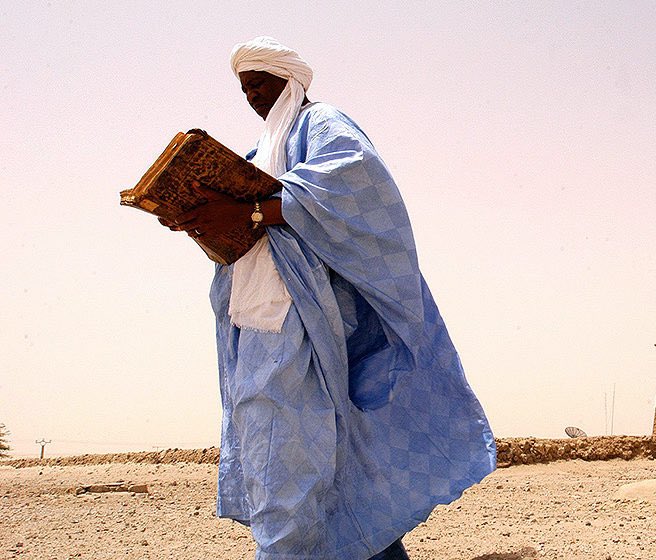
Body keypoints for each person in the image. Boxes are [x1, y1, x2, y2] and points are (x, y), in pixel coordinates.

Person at [161, 36, 497, 559]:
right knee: (318, 466)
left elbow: (353, 184)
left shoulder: (323, 125)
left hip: (309, 324)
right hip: (257, 322)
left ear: (288, 80)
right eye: (244, 89)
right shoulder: (259, 152)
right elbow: (247, 228)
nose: (251, 97)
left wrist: (252, 213)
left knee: (290, 472)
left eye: (259, 84)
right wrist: (196, 218)